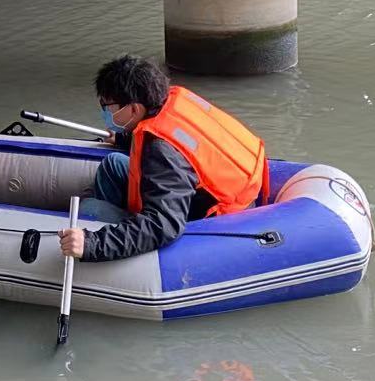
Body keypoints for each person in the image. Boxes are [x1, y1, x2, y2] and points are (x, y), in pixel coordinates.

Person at [58, 56, 268, 263]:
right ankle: (120, 221)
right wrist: (124, 137)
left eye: (107, 107)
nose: (105, 112)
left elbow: (163, 225)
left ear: (134, 109)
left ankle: (108, 242)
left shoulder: (161, 152)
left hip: (208, 219)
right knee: (113, 164)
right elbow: (178, 137)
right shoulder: (170, 101)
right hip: (202, 191)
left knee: (90, 209)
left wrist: (92, 244)